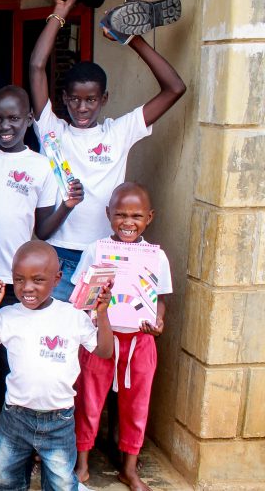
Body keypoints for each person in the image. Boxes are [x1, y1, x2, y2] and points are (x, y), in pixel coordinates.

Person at [28, 0, 185, 301]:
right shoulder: (52, 130)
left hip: (107, 255)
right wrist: (62, 10)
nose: (82, 107)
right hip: (58, 254)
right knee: (61, 344)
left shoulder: (119, 132)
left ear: (104, 99)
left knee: (97, 343)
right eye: (74, 99)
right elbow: (36, 67)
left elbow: (175, 88)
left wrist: (131, 38)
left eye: (90, 100)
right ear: (64, 98)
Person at [0, 84, 85, 405]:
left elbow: (44, 230)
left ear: (28, 120)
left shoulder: (41, 166)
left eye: (13, 118)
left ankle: (11, 427)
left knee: (8, 363)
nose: (4, 127)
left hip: (10, 282)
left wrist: (67, 205)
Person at [0, 241, 114, 490]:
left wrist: (103, 313)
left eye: (37, 280)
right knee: (5, 480)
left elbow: (104, 350)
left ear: (57, 279)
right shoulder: (8, 316)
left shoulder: (73, 316)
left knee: (61, 484)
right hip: (15, 417)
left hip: (59, 419)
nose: (27, 288)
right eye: (19, 279)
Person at [72, 183, 171, 491]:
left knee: (136, 405)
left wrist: (159, 319)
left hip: (139, 342)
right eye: (121, 215)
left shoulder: (156, 257)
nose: (128, 222)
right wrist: (90, 311)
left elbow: (161, 297)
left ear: (150, 218)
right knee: (88, 401)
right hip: (100, 339)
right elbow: (81, 294)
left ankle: (129, 468)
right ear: (108, 214)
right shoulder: (96, 250)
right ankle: (82, 463)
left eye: (137, 216)